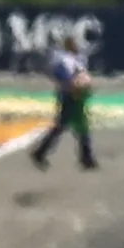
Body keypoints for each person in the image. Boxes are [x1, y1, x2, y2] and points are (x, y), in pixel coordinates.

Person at [29, 43, 96, 171]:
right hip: (69, 96)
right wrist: (72, 85)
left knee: (77, 126)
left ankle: (86, 158)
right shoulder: (64, 60)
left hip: (73, 96)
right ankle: (40, 152)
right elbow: (60, 74)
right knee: (68, 126)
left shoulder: (77, 60)